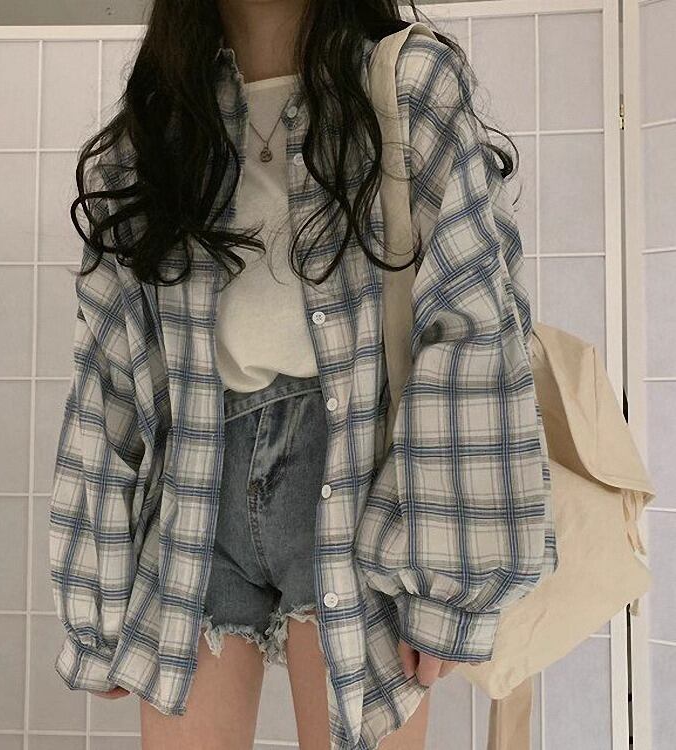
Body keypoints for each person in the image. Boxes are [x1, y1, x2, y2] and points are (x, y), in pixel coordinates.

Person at [48, 0, 557, 748]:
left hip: (356, 488)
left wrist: (449, 587)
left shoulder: (405, 82)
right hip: (192, 498)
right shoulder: (154, 131)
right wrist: (96, 604)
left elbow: (469, 333)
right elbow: (108, 379)